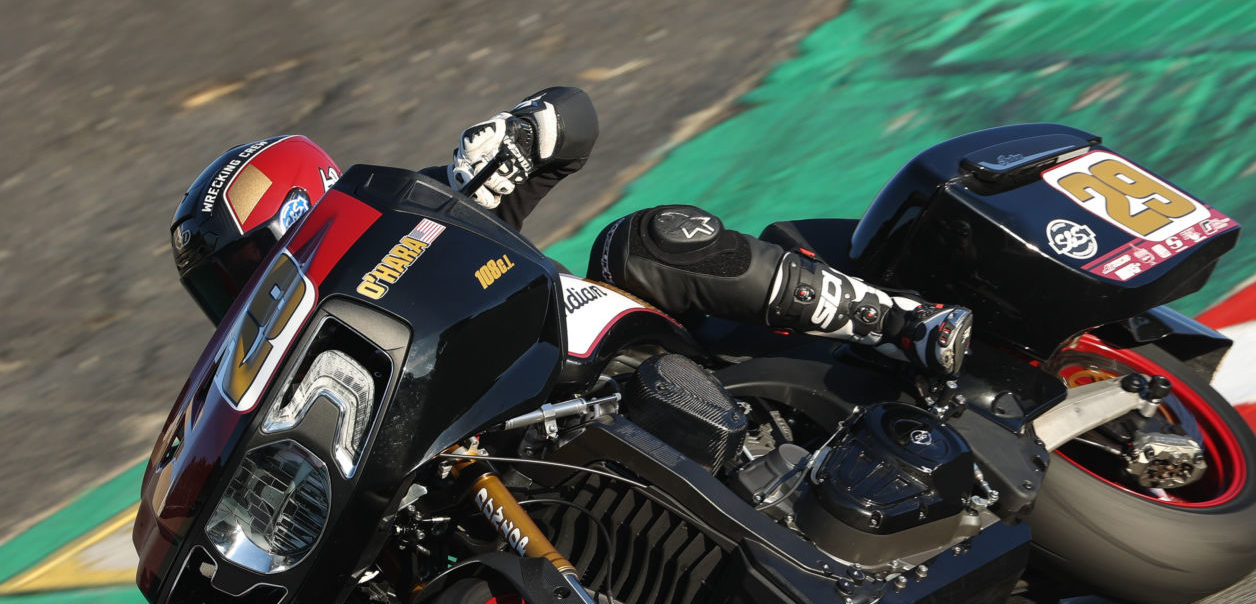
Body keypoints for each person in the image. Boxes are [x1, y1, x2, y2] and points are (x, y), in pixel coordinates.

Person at [170, 86, 971, 376]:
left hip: (615, 361)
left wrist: (528, 128)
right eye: (223, 286)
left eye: (243, 266)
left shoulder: (422, 213)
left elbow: (576, 115)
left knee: (638, 243)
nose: (242, 296)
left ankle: (901, 322)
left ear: (301, 211)